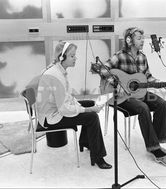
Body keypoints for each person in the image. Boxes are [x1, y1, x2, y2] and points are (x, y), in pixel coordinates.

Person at [101, 27, 166, 168]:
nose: (143, 41)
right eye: (139, 38)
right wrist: (116, 83)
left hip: (139, 92)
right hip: (123, 97)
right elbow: (103, 69)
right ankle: (156, 151)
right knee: (143, 108)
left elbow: (147, 76)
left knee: (162, 104)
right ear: (129, 40)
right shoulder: (119, 56)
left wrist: (162, 83)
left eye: (143, 38)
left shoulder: (143, 57)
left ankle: (157, 142)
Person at [36, 41, 112, 169]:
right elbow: (64, 109)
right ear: (62, 57)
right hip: (51, 118)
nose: (75, 58)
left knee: (90, 103)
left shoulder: (59, 70)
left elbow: (67, 97)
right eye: (72, 56)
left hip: (55, 110)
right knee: (92, 117)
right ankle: (98, 157)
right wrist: (87, 110)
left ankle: (86, 142)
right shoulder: (56, 76)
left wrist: (87, 107)